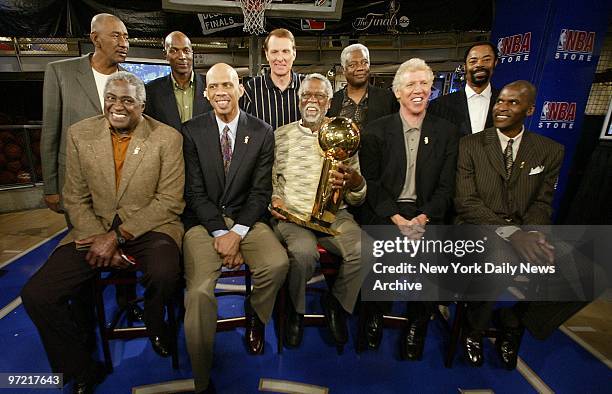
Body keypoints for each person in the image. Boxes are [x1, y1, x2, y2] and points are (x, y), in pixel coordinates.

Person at [21, 71, 185, 393]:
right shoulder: (80, 134)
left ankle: (155, 322)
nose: (117, 106)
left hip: (150, 225)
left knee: (166, 272)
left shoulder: (167, 138)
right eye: (111, 98)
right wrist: (101, 237)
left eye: (127, 100)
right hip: (93, 227)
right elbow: (75, 197)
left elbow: (169, 201)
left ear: (142, 104)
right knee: (37, 294)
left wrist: (117, 237)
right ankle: (81, 367)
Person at [455, 80, 586, 369]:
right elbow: (466, 201)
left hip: (526, 228)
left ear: (530, 109)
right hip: (478, 225)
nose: (502, 107)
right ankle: (473, 327)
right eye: (500, 101)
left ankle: (515, 320)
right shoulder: (470, 145)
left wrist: (533, 233)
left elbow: (542, 202)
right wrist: (512, 234)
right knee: (501, 261)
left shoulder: (550, 151)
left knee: (586, 268)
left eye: (512, 103)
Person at [181, 63, 289, 394]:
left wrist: (237, 234)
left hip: (247, 219)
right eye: (214, 87)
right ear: (206, 93)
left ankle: (256, 313)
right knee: (199, 293)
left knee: (277, 264)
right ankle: (201, 376)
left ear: (240, 89)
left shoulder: (262, 132)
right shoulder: (190, 131)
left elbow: (260, 192)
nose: (221, 93)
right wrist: (220, 234)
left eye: (227, 85)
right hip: (205, 223)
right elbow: (195, 193)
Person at [359, 58, 459, 358]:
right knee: (383, 247)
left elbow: (447, 187)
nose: (419, 90)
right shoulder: (376, 131)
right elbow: (371, 182)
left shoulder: (447, 132)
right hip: (385, 209)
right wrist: (399, 220)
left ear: (431, 89)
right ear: (398, 92)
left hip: (428, 212)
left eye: (424, 84)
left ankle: (418, 323)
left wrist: (423, 219)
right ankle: (375, 314)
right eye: (411, 84)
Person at [270, 73, 367, 349]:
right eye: (306, 96)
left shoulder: (344, 135)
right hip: (294, 217)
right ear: (299, 101)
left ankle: (337, 304)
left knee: (365, 250)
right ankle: (296, 312)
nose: (312, 101)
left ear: (329, 102)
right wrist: (275, 200)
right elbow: (270, 182)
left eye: (319, 96)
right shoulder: (281, 135)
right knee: (303, 253)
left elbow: (357, 197)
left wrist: (355, 183)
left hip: (335, 216)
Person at [41, 13, 129, 214]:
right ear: (95, 38)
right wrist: (51, 187)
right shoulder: (60, 72)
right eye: (116, 36)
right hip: (75, 182)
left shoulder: (131, 81)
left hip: (119, 184)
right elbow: (50, 134)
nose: (124, 43)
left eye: (126, 37)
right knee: (81, 241)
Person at [145, 31, 212, 132]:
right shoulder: (152, 90)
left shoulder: (211, 85)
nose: (182, 56)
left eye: (186, 51)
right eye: (174, 51)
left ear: (192, 53)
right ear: (166, 55)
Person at [428, 42, 500, 135]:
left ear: (495, 63)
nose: (479, 64)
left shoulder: (506, 103)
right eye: (473, 61)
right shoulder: (440, 105)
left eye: (486, 60)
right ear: (465, 67)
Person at [240, 28, 304, 130]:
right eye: (274, 52)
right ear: (267, 54)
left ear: (294, 53)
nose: (279, 58)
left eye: (285, 51)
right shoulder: (251, 89)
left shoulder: (307, 86)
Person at [327, 43, 398, 130]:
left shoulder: (388, 99)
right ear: (343, 70)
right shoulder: (333, 101)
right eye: (352, 65)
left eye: (364, 63)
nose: (360, 68)